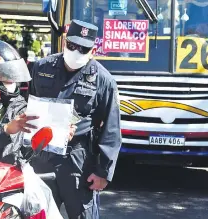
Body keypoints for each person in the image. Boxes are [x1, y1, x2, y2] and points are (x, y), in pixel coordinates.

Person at [29, 19, 122, 219]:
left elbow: (111, 129)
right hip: (42, 155)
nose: (76, 51)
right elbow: (29, 106)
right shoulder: (41, 68)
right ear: (64, 41)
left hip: (78, 161)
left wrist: (103, 173)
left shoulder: (103, 80)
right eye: (72, 46)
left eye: (83, 48)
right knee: (37, 212)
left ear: (93, 49)